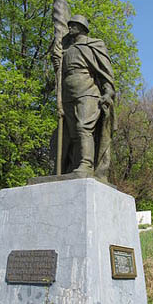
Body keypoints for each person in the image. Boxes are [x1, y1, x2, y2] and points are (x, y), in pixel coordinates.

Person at [52, 15, 115, 182]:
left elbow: (105, 72)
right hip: (67, 94)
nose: (69, 27)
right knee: (71, 134)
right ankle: (73, 166)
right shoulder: (66, 50)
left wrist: (108, 92)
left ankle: (86, 165)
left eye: (73, 25)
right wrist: (56, 62)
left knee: (83, 128)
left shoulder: (93, 45)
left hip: (88, 91)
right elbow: (55, 77)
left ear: (81, 27)